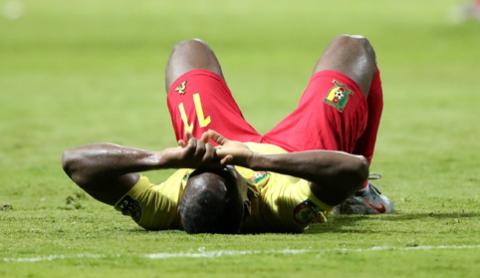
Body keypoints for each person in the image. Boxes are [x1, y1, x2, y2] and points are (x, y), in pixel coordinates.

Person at [62, 35, 393, 234]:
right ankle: (360, 197)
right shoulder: (283, 207)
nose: (220, 165)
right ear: (247, 202)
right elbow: (351, 168)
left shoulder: (162, 209)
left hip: (217, 137)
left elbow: (75, 162)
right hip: (297, 155)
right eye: (231, 174)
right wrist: (254, 158)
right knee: (355, 47)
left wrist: (164, 159)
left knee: (188, 51)